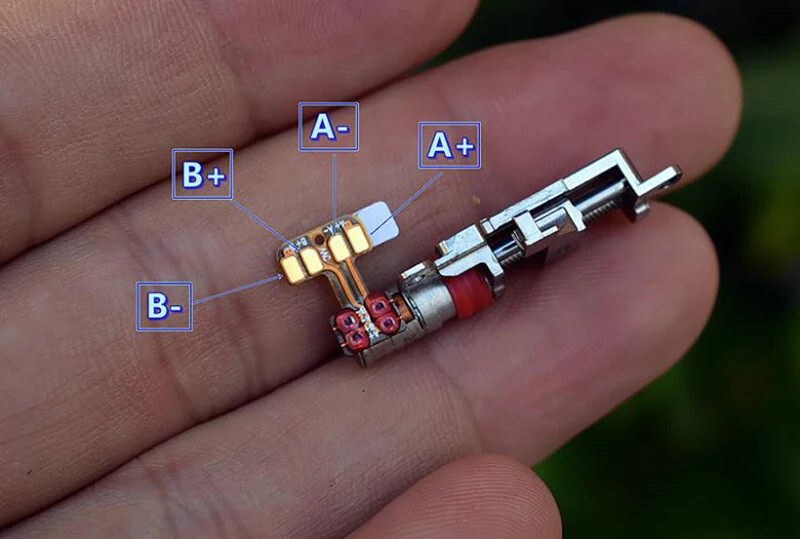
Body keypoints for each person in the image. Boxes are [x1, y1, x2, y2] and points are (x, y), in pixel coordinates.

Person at [0, 2, 741, 537]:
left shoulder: (425, 285)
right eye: (375, 321)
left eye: (376, 320)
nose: (373, 319)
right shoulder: (395, 294)